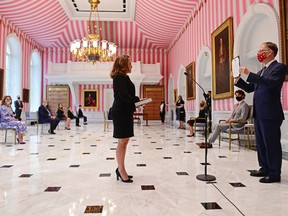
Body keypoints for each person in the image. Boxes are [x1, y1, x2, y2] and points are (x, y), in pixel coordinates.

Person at [235, 42, 286, 183]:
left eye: (261, 50)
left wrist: (249, 74)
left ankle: (274, 173)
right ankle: (264, 168)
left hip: (270, 113)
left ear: (270, 52)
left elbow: (269, 82)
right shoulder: (261, 71)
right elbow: (250, 88)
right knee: (261, 143)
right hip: (259, 113)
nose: (259, 53)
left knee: (271, 144)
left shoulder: (279, 67)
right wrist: (238, 80)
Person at [110, 54, 140, 183]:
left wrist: (137, 101)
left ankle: (120, 169)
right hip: (121, 112)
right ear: (123, 65)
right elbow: (124, 97)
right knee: (122, 142)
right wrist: (137, 100)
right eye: (130, 63)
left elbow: (126, 96)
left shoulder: (124, 77)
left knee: (124, 142)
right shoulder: (119, 78)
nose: (131, 65)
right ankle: (121, 170)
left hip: (125, 111)